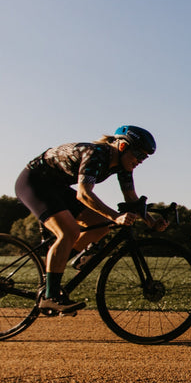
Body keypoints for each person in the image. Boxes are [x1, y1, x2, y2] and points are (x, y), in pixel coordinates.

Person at [14, 126, 167, 314]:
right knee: (69, 232)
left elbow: (131, 199)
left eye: (144, 158)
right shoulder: (96, 154)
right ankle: (50, 297)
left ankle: (63, 266)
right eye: (138, 155)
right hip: (34, 182)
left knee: (102, 225)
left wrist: (152, 222)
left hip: (57, 187)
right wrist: (116, 216)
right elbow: (84, 195)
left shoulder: (123, 165)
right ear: (122, 146)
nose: (140, 161)